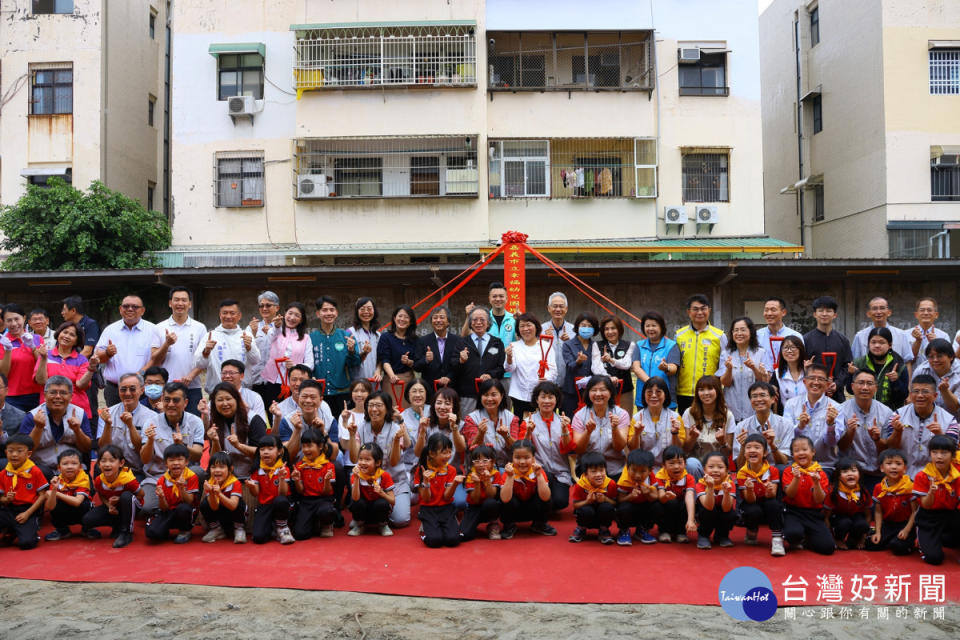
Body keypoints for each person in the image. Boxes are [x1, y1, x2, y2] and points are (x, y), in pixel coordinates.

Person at [139, 382, 205, 515]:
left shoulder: (196, 421)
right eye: (167, 400)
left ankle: (190, 509)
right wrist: (150, 441)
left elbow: (198, 455)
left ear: (185, 402)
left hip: (185, 475)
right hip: (158, 477)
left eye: (176, 400)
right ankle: (174, 509)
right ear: (162, 400)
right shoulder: (151, 422)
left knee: (198, 471)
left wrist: (183, 445)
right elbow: (145, 460)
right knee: (146, 509)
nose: (170, 404)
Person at [347, 390, 410, 529]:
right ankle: (373, 514)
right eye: (371, 405)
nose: (374, 409)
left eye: (379, 405)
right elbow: (353, 458)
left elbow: (394, 462)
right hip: (366, 483)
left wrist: (396, 441)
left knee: (400, 520)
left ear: (387, 408)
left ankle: (404, 496)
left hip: (393, 482)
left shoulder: (395, 429)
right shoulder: (361, 428)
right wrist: (352, 435)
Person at [884, 374, 960, 477]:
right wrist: (897, 432)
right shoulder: (897, 415)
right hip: (903, 477)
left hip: (935, 478)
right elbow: (891, 448)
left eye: (925, 391)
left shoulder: (950, 420)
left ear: (935, 396)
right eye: (916, 391)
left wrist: (940, 435)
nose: (920, 395)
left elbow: (953, 455)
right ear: (910, 394)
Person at [19, 376, 92, 478]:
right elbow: (24, 450)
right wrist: (38, 428)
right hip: (41, 469)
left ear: (71, 396)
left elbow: (87, 448)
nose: (58, 397)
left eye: (63, 393)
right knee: (42, 472)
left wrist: (77, 431)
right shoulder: (33, 416)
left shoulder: (79, 414)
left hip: (71, 468)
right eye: (53, 392)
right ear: (45, 395)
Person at [95, 295, 160, 407]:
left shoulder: (154, 330)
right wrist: (107, 354)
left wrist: (140, 375)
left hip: (144, 389)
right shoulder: (110, 330)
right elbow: (97, 358)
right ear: (120, 309)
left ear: (142, 311)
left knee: (144, 423)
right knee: (115, 422)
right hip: (115, 389)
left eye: (135, 307)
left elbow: (158, 359)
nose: (130, 309)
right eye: (126, 306)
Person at [150, 287, 207, 416]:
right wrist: (166, 344)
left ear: (190, 304)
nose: (180, 303)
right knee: (166, 426)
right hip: (166, 388)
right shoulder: (159, 327)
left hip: (192, 387)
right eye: (176, 300)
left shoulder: (199, 327)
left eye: (184, 300)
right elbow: (154, 359)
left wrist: (191, 376)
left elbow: (205, 358)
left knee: (192, 425)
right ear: (170, 303)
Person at [837, 369, 895, 493]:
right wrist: (850, 432)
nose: (865, 387)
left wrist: (877, 440)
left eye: (869, 384)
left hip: (877, 473)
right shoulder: (841, 410)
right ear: (852, 386)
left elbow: (887, 450)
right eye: (860, 383)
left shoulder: (886, 412)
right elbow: (841, 447)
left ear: (876, 388)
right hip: (850, 472)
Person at [782, 363, 843, 474]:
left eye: (820, 379)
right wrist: (800, 427)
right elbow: (786, 438)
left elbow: (831, 443)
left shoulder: (836, 408)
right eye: (811, 378)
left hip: (824, 466)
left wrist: (830, 425)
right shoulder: (791, 404)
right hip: (797, 466)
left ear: (827, 384)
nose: (816, 382)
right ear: (804, 381)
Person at [524, 381, 574, 513]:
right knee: (546, 479)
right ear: (536, 399)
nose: (547, 401)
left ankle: (542, 507)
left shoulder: (563, 421)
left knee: (561, 502)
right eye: (543, 397)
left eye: (551, 397)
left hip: (561, 471)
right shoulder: (528, 422)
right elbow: (523, 450)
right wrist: (528, 432)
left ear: (556, 400)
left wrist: (565, 430)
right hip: (538, 470)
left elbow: (568, 448)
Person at [97, 372, 158, 478]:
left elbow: (144, 452)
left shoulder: (151, 417)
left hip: (138, 471)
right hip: (113, 469)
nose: (128, 393)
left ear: (142, 390)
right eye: (123, 389)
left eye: (133, 389)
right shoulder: (107, 413)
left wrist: (130, 426)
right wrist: (107, 425)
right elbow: (103, 448)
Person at [781, 435, 835, 555]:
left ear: (813, 452)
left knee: (827, 548)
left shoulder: (820, 473)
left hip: (813, 513)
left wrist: (816, 483)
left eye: (804, 449)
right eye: (796, 450)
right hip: (793, 511)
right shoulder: (788, 471)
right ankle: (798, 535)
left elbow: (819, 500)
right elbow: (790, 494)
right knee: (793, 534)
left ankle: (807, 537)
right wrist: (796, 478)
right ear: (792, 454)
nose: (801, 453)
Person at [194, 299, 260, 396]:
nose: (228, 316)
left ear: (239, 316)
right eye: (225, 313)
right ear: (220, 315)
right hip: (216, 391)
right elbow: (199, 363)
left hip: (242, 391)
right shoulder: (211, 336)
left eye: (232, 313)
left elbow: (256, 361)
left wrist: (249, 348)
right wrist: (206, 352)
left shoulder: (246, 335)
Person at [83, 444, 143, 548]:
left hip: (131, 506)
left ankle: (126, 532)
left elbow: (141, 495)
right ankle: (117, 525)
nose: (107, 464)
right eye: (103, 461)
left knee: (126, 496)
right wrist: (109, 505)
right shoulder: (99, 480)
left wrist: (120, 500)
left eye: (111, 460)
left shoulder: (128, 479)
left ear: (121, 463)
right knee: (87, 520)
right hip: (114, 508)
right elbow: (101, 495)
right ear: (98, 464)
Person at [912, 435, 960, 565]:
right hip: (929, 517)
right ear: (930, 454)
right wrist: (931, 493)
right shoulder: (922, 476)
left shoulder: (957, 474)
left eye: (944, 453)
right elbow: (925, 505)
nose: (939, 456)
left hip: (951, 514)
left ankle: (944, 538)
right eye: (935, 452)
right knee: (934, 558)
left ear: (953, 456)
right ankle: (921, 540)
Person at [675, 295, 726, 414]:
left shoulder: (719, 336)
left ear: (709, 310)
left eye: (703, 308)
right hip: (684, 392)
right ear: (688, 312)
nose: (700, 312)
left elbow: (724, 365)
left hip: (710, 392)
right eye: (695, 309)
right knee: (688, 428)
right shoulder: (679, 335)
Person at [205, 382, 267, 481]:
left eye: (228, 399)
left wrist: (238, 445)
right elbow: (216, 458)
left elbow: (263, 453)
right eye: (220, 400)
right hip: (225, 477)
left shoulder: (253, 419)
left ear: (237, 399)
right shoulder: (214, 423)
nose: (225, 403)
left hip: (252, 475)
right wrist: (215, 441)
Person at [463, 282, 516, 395]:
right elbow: (465, 336)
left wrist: (520, 321)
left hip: (508, 373)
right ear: (489, 299)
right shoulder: (482, 318)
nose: (498, 299)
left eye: (501, 296)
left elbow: (520, 341)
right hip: (486, 373)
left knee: (505, 408)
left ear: (507, 298)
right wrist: (468, 316)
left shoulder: (513, 318)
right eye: (494, 296)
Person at [736, 433, 785, 556]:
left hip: (767, 501)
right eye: (748, 447)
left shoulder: (772, 471)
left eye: (757, 447)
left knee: (773, 504)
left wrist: (769, 491)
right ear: (744, 452)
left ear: (765, 453)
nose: (752, 450)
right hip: (752, 503)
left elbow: (772, 495)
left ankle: (777, 538)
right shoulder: (742, 473)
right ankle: (752, 530)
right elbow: (749, 500)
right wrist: (750, 489)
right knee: (752, 510)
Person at [311, 296, 360, 416]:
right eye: (325, 310)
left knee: (344, 427)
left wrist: (352, 351)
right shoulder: (311, 337)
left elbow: (355, 363)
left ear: (336, 313)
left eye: (332, 310)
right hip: (320, 393)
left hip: (342, 391)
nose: (328, 313)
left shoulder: (346, 335)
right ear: (318, 314)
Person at [451, 306, 505, 415]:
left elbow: (501, 368)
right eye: (475, 320)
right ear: (470, 323)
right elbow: (453, 365)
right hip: (467, 394)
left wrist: (490, 375)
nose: (478, 323)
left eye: (482, 320)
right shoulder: (462, 343)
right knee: (467, 426)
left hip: (490, 394)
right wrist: (461, 360)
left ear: (488, 323)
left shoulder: (497, 343)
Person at [34, 321, 94, 418]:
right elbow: (41, 381)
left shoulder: (82, 360)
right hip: (49, 409)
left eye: (72, 335)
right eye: (65, 332)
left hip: (76, 410)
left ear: (76, 340)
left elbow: (80, 385)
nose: (67, 336)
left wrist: (91, 369)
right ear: (58, 334)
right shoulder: (45, 355)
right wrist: (44, 358)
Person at [259, 301, 313, 411]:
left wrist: (295, 366)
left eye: (297, 315)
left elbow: (310, 364)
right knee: (273, 413)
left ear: (301, 319)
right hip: (273, 381)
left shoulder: (306, 338)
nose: (292, 317)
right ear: (284, 314)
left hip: (295, 384)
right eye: (290, 313)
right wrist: (276, 327)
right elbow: (271, 336)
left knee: (294, 414)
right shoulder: (274, 331)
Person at [573, 376, 630, 477]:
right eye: (593, 390)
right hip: (588, 470)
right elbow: (578, 449)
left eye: (603, 390)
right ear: (588, 393)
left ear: (611, 392)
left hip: (614, 469)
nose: (598, 394)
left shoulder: (621, 414)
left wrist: (615, 429)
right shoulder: (580, 415)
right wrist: (588, 432)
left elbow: (620, 447)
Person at [0, 433, 49, 549]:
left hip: (28, 510)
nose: (14, 455)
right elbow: (1, 498)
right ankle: (11, 530)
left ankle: (28, 532)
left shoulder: (35, 471)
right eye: (11, 451)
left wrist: (27, 513)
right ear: (6, 452)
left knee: (26, 543)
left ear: (28, 454)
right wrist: (6, 499)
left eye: (19, 451)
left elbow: (42, 496)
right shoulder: (3, 473)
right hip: (9, 509)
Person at [505, 312, 559, 417]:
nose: (525, 329)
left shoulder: (546, 346)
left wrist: (546, 378)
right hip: (519, 394)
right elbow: (509, 369)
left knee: (539, 427)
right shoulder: (514, 346)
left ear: (536, 327)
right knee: (520, 427)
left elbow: (553, 370)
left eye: (529, 325)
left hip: (540, 395)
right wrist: (509, 357)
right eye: (522, 326)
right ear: (518, 330)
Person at [499, 439, 554, 539]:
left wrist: (539, 476)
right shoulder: (508, 472)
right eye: (517, 457)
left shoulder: (538, 470)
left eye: (526, 457)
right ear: (512, 458)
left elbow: (546, 497)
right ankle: (509, 525)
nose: (522, 462)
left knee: (547, 496)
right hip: (515, 510)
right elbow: (505, 499)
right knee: (504, 499)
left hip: (532, 508)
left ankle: (539, 524)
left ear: (533, 458)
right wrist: (510, 477)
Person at [414, 433, 462, 548]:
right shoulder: (421, 471)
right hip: (428, 508)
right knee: (435, 541)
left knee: (453, 540)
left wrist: (455, 484)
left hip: (446, 507)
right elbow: (426, 498)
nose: (448, 456)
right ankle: (425, 526)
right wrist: (425, 482)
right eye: (444, 452)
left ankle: (447, 524)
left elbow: (447, 497)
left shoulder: (451, 470)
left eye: (450, 452)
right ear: (431, 453)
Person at [716, 317, 769, 422]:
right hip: (731, 410)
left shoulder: (761, 353)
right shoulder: (726, 354)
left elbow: (765, 382)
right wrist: (729, 369)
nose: (739, 333)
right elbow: (725, 383)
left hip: (755, 410)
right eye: (736, 330)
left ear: (751, 332)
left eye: (743, 330)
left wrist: (754, 368)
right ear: (732, 333)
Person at [144, 443, 199, 544]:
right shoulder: (162, 480)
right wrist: (161, 497)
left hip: (185, 511)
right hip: (169, 511)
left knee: (183, 508)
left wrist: (182, 488)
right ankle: (164, 531)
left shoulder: (191, 477)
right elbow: (164, 508)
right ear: (166, 463)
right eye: (171, 460)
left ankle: (185, 531)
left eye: (179, 459)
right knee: (152, 533)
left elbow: (190, 501)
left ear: (186, 461)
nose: (176, 463)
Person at [803, 296, 853, 403]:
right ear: (815, 314)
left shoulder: (843, 340)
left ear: (835, 315)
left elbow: (847, 366)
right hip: (813, 392)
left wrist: (837, 383)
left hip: (837, 395)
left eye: (828, 311)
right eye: (821, 311)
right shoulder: (806, 339)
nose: (824, 314)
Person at [866, 448, 917, 556]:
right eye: (889, 463)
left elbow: (915, 512)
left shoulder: (910, 487)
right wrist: (878, 532)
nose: (894, 467)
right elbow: (878, 512)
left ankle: (905, 542)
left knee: (898, 547)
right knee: (870, 544)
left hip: (905, 524)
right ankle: (887, 538)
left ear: (904, 468)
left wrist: (906, 531)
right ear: (882, 468)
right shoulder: (879, 487)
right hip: (888, 524)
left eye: (898, 464)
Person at [245, 435, 294, 545]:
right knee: (258, 537)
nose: (265, 452)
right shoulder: (257, 471)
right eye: (262, 449)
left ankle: (282, 527)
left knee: (280, 501)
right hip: (265, 505)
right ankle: (272, 527)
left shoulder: (283, 468)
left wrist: (281, 479)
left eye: (270, 449)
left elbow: (283, 494)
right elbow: (255, 493)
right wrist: (252, 487)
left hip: (281, 505)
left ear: (280, 451)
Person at [731, 382, 792, 469]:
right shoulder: (741, 427)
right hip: (751, 473)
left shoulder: (786, 425)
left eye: (763, 395)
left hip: (776, 471)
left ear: (773, 399)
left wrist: (772, 445)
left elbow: (785, 462)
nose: (758, 399)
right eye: (754, 396)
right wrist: (743, 446)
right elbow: (740, 466)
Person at [681, 375, 734, 476]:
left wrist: (723, 442)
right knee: (691, 463)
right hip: (696, 465)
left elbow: (728, 453)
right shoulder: (689, 413)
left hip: (717, 465)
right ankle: (694, 491)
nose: (706, 393)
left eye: (710, 389)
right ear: (697, 393)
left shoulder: (728, 415)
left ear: (718, 391)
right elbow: (685, 450)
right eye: (701, 390)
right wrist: (692, 438)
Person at [462, 374, 518, 469]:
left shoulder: (511, 418)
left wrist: (506, 436)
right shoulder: (471, 418)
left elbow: (516, 449)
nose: (489, 399)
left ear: (502, 395)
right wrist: (480, 434)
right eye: (485, 395)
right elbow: (472, 449)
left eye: (493, 394)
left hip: (507, 468)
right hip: (481, 468)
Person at [290, 429, 336, 540]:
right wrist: (296, 480)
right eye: (304, 446)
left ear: (320, 446)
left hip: (324, 500)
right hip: (307, 501)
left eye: (310, 446)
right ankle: (315, 523)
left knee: (326, 511)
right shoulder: (300, 466)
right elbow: (301, 491)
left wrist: (326, 481)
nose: (306, 450)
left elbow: (326, 492)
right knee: (300, 535)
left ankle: (327, 524)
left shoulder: (328, 466)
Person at [847, 327, 908, 411]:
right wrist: (851, 375)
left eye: (881, 342)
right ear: (868, 344)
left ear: (890, 345)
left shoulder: (899, 365)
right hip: (862, 412)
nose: (877, 345)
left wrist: (895, 382)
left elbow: (904, 395)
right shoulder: (858, 363)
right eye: (873, 342)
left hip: (891, 415)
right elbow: (850, 390)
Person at [630, 377, 685, 469]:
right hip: (644, 468)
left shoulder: (676, 418)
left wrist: (675, 433)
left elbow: (679, 450)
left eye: (658, 392)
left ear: (666, 395)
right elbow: (633, 450)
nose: (654, 396)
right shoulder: (636, 419)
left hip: (669, 468)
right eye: (649, 392)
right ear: (644, 395)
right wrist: (637, 434)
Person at [631, 311, 681, 411]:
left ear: (661, 327)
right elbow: (636, 368)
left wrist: (666, 367)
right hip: (644, 398)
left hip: (666, 398)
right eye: (647, 326)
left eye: (654, 325)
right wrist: (652, 384)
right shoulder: (639, 345)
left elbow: (673, 368)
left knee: (667, 426)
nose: (650, 329)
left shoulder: (671, 345)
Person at [61, 296, 101, 416]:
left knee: (89, 410)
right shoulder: (68, 326)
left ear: (73, 311)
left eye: (64, 309)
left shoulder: (90, 324)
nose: (62, 313)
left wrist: (67, 363)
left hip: (86, 374)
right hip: (69, 375)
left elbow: (88, 351)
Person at [0, 303, 45, 411]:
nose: (14, 324)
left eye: (17, 319)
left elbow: (42, 364)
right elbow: (3, 373)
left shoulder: (37, 338)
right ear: (4, 322)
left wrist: (33, 347)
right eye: (9, 320)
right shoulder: (2, 342)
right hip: (12, 396)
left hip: (37, 394)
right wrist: (8, 350)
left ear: (24, 318)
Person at [568, 450, 618, 544]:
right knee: (585, 510)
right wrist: (587, 501)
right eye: (593, 471)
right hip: (587, 514)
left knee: (607, 507)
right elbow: (575, 505)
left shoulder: (610, 484)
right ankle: (581, 528)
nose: (599, 474)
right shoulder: (581, 485)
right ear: (586, 474)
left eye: (601, 470)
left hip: (602, 514)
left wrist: (605, 499)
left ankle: (604, 530)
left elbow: (616, 503)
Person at [42, 448, 92, 541]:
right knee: (55, 504)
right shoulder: (56, 480)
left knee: (85, 504)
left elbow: (77, 502)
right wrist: (54, 490)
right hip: (64, 512)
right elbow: (49, 507)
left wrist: (57, 494)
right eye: (65, 464)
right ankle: (63, 531)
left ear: (80, 467)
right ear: (59, 468)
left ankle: (87, 529)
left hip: (80, 511)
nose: (69, 467)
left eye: (74, 463)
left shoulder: (84, 479)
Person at [561, 312, 605, 417]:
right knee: (571, 421)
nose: (586, 328)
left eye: (590, 326)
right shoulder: (568, 345)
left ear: (594, 330)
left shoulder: (596, 345)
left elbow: (598, 367)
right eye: (583, 325)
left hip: (592, 392)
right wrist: (578, 361)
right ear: (577, 327)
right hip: (571, 391)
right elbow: (569, 365)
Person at [349, 441, 396, 537]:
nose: (362, 462)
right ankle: (359, 525)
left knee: (382, 503)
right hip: (363, 512)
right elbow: (355, 498)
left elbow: (392, 501)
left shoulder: (384, 476)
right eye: (360, 459)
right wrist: (357, 478)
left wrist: (382, 493)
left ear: (378, 462)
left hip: (377, 512)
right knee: (357, 502)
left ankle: (382, 525)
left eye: (367, 459)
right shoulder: (355, 475)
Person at [851, 297, 913, 368]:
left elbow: (907, 362)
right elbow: (855, 362)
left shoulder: (901, 334)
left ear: (889, 312)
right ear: (868, 313)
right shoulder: (860, 336)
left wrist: (907, 379)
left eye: (882, 308)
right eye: (874, 309)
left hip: (895, 376)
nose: (878, 312)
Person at [614, 449, 659, 546]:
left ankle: (642, 530)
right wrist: (630, 496)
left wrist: (647, 494)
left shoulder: (651, 477)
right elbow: (619, 500)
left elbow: (655, 496)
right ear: (627, 467)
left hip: (644, 506)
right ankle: (624, 530)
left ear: (650, 470)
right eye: (633, 470)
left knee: (657, 505)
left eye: (643, 471)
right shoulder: (624, 480)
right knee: (623, 507)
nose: (637, 475)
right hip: (630, 508)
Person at [199, 451, 246, 544]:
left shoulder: (235, 482)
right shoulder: (210, 482)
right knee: (204, 504)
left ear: (230, 469)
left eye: (221, 467)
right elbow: (214, 507)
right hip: (220, 517)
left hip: (234, 516)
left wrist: (219, 494)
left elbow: (233, 506)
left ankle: (239, 529)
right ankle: (217, 529)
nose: (217, 470)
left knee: (239, 504)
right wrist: (212, 493)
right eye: (213, 467)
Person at [653, 445, 697, 543]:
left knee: (688, 504)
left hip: (680, 509)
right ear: (663, 465)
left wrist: (691, 519)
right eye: (671, 463)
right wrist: (666, 496)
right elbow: (660, 497)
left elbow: (690, 497)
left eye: (680, 463)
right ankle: (664, 531)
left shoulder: (689, 478)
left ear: (685, 464)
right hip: (666, 506)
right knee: (658, 505)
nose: (676, 467)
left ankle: (681, 532)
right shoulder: (660, 476)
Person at [694, 450, 737, 549]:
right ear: (704, 470)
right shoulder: (700, 484)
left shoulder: (730, 484)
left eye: (720, 467)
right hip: (707, 511)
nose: (716, 470)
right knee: (707, 511)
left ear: (727, 471)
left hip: (722, 510)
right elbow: (708, 506)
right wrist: (710, 487)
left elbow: (726, 508)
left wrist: (726, 493)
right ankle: (704, 535)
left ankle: (722, 535)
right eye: (711, 467)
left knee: (731, 514)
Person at [459, 445, 503, 541]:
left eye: (485, 461)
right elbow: (475, 499)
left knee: (492, 503)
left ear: (492, 462)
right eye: (477, 461)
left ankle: (493, 523)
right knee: (465, 535)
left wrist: (487, 481)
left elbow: (492, 495)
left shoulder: (495, 474)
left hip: (488, 505)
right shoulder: (471, 476)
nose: (481, 464)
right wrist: (477, 483)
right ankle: (470, 524)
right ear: (473, 463)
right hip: (473, 507)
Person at [825, 458, 869, 550]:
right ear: (838, 476)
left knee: (862, 524)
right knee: (845, 522)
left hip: (856, 517)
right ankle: (839, 539)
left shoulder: (863, 492)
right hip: (838, 518)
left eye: (853, 471)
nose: (850, 474)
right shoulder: (833, 492)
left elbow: (868, 515)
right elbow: (826, 517)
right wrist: (831, 538)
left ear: (859, 474)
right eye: (845, 471)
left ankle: (854, 539)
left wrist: (863, 538)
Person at [413, 306, 460, 393]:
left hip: (452, 389)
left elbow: (459, 365)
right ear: (431, 322)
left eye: (442, 317)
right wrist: (426, 360)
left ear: (448, 322)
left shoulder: (457, 340)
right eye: (435, 318)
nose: (438, 320)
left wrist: (449, 377)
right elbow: (416, 366)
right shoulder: (423, 341)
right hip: (430, 389)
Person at [911, 339, 960, 419]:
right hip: (926, 420)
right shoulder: (921, 370)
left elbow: (956, 407)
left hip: (955, 422)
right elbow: (913, 397)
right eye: (931, 357)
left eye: (939, 356)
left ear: (951, 357)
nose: (935, 360)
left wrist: (945, 391)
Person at [594, 316, 635, 409]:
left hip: (625, 390)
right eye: (606, 329)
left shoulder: (630, 345)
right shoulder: (597, 345)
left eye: (613, 328)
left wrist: (611, 360)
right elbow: (595, 367)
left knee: (625, 420)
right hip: (603, 390)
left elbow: (626, 364)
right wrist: (609, 378)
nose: (610, 332)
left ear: (619, 329)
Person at [247, 291, 281, 401]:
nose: (264, 308)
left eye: (268, 305)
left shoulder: (283, 329)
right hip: (256, 381)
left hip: (276, 381)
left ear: (277, 308)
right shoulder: (252, 327)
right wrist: (253, 333)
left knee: (275, 415)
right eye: (261, 306)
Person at [212, 360, 268, 426]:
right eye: (224, 373)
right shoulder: (216, 396)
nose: (227, 376)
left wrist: (247, 411)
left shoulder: (254, 397)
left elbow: (261, 425)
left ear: (241, 376)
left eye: (231, 373)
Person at [756, 297, 803, 372]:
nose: (769, 313)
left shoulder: (795, 336)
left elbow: (800, 361)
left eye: (773, 310)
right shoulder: (756, 336)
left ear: (783, 312)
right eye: (766, 310)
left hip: (787, 379)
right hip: (763, 379)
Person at [400, 380, 430, 493]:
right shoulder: (402, 417)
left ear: (426, 394)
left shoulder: (435, 411)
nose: (418, 395)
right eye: (414, 391)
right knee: (411, 498)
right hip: (410, 466)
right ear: (408, 394)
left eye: (421, 391)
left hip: (432, 466)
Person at [269, 364, 317, 433]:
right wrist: (277, 417)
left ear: (310, 381)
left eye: (302, 380)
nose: (297, 384)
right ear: (289, 381)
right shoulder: (280, 408)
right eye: (294, 380)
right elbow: (275, 437)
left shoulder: (320, 405)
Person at [541, 292, 574, 390]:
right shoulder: (541, 329)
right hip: (547, 381)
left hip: (568, 382)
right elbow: (535, 353)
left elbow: (579, 354)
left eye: (561, 306)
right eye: (555, 306)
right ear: (549, 308)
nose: (558, 309)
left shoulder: (574, 330)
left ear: (566, 309)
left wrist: (570, 343)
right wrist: (545, 341)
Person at [346, 297, 381, 382]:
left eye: (369, 309)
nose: (366, 312)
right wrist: (363, 353)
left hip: (375, 381)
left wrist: (378, 371)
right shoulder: (350, 332)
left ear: (374, 311)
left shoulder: (377, 335)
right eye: (362, 309)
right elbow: (347, 360)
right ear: (357, 312)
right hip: (357, 382)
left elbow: (380, 358)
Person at [769, 335, 807, 412]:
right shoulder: (777, 374)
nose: (789, 351)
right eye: (786, 348)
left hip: (808, 417)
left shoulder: (809, 371)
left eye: (793, 347)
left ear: (801, 350)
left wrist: (809, 373)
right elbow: (771, 394)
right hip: (786, 419)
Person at [910, 297, 949, 368]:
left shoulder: (943, 336)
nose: (926, 313)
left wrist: (936, 343)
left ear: (936, 315)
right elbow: (907, 361)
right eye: (922, 310)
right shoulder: (906, 334)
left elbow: (948, 361)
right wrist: (917, 341)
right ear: (916, 315)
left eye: (929, 310)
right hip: (913, 377)